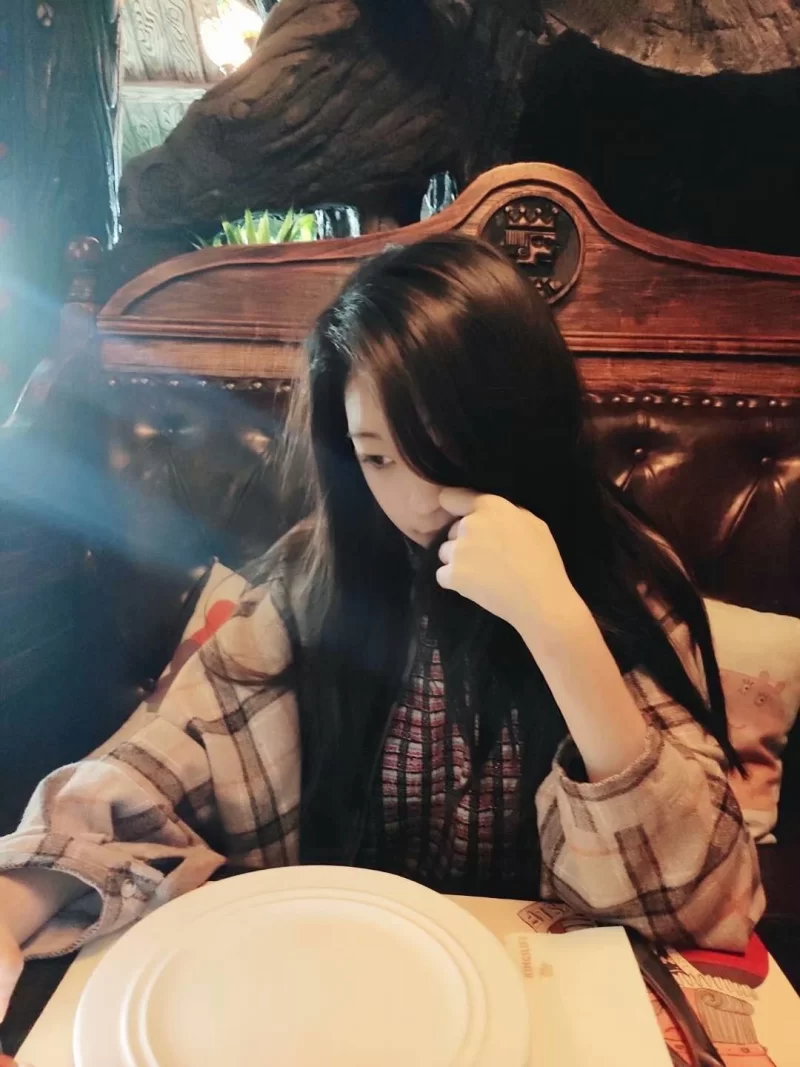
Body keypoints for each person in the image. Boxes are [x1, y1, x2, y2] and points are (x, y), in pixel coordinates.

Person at [0, 235, 763, 1027]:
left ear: (522, 432)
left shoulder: (623, 585)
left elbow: (703, 907)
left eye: (445, 449)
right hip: (338, 994)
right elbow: (160, 762)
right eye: (377, 458)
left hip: (537, 1009)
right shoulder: (316, 584)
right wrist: (12, 902)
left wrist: (559, 628)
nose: (421, 499)